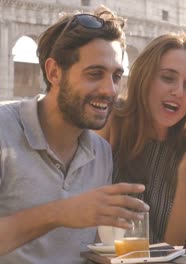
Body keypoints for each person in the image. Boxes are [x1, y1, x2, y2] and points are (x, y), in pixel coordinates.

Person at [0, 6, 150, 263]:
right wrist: (59, 213)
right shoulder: (4, 131)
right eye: (95, 74)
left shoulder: (100, 152)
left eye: (116, 76)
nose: (109, 89)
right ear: (54, 72)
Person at [97, 32, 186, 246]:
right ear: (144, 77)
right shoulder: (111, 122)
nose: (178, 92)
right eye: (168, 78)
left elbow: (180, 247)